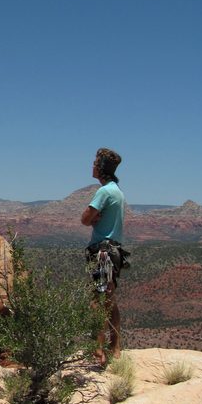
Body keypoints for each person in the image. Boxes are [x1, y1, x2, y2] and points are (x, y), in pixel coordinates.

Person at [81, 148, 126, 365]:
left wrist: (94, 217)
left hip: (102, 252)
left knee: (97, 301)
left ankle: (98, 350)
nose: (92, 166)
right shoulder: (117, 191)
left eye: (94, 163)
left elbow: (85, 219)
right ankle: (115, 346)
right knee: (109, 298)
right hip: (115, 250)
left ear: (100, 168)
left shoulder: (104, 192)